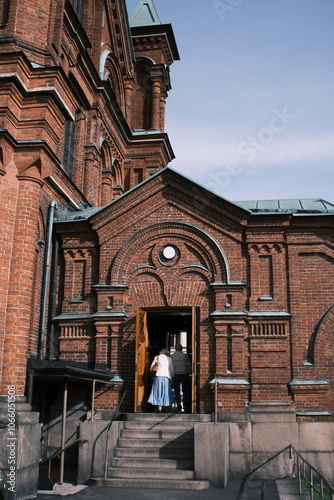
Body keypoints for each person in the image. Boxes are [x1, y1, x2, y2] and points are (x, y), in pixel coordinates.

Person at [148, 348, 174, 413]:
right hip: (166, 377)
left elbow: (152, 367)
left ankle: (159, 408)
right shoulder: (169, 359)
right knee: (166, 392)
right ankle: (166, 407)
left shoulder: (157, 357)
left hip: (158, 376)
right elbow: (171, 369)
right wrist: (172, 377)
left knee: (158, 392)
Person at [171, 343, 191, 412]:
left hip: (175, 374)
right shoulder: (185, 356)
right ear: (181, 348)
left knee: (177, 391)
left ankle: (178, 404)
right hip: (184, 374)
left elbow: (170, 367)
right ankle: (185, 405)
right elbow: (189, 366)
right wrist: (189, 373)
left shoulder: (172, 356)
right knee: (185, 390)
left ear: (175, 348)